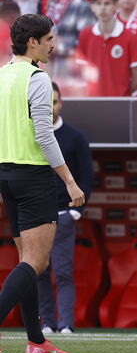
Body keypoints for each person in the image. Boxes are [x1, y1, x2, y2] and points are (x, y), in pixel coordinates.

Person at [0, 13, 85, 353]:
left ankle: (36, 340)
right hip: (33, 175)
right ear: (32, 42)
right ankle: (32, 338)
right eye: (49, 39)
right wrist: (69, 180)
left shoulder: (3, 75)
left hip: (6, 173)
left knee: (27, 260)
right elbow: (44, 135)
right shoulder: (37, 78)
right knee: (35, 262)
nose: (53, 44)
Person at [37, 82, 94, 335]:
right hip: (37, 215)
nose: (51, 107)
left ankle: (66, 325)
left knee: (63, 272)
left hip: (64, 214)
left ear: (61, 103)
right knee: (39, 271)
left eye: (55, 101)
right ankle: (47, 323)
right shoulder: (33, 134)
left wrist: (75, 212)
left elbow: (87, 177)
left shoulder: (75, 137)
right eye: (47, 101)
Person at [76, 0, 137, 97]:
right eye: (98, 4)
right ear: (92, 6)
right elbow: (80, 73)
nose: (102, 8)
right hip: (92, 100)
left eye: (107, 3)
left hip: (120, 102)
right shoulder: (85, 34)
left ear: (115, 6)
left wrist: (123, 94)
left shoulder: (129, 36)